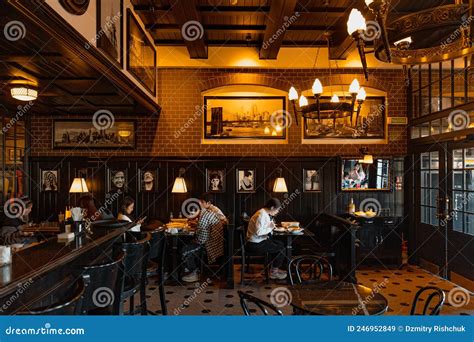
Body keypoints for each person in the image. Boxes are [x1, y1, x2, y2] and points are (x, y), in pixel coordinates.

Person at [181, 193, 225, 283]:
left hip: (210, 245)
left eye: (201, 202)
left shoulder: (205, 215)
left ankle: (194, 273)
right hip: (216, 242)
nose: (199, 203)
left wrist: (194, 240)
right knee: (188, 244)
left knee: (184, 250)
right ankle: (189, 269)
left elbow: (202, 239)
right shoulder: (207, 213)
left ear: (205, 203)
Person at [246, 198, 287, 280]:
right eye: (277, 210)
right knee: (281, 248)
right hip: (255, 244)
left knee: (280, 244)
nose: (277, 212)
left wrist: (270, 226)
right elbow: (259, 232)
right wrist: (270, 228)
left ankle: (273, 269)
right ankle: (273, 272)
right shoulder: (261, 215)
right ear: (272, 208)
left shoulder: (263, 213)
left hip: (259, 241)